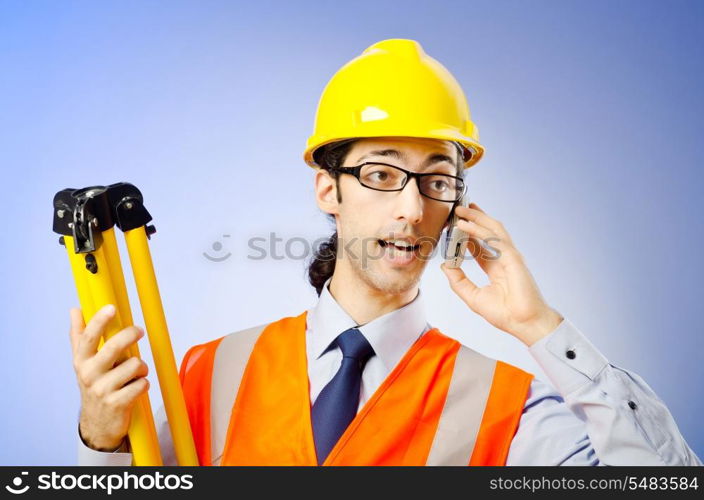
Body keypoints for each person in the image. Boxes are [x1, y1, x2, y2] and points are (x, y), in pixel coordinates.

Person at [71, 39, 702, 466]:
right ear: (329, 187)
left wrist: (540, 327)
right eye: (380, 173)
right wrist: (102, 441)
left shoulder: (510, 410)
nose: (411, 208)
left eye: (437, 179)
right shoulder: (209, 376)